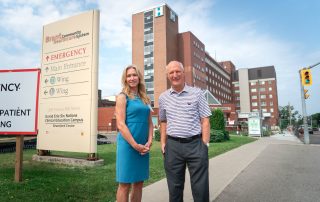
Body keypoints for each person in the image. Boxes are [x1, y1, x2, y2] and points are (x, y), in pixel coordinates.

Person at [159, 61, 212, 202]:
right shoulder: (163, 98)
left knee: (200, 188)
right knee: (174, 188)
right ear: (167, 76)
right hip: (173, 147)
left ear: (183, 73)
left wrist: (204, 145)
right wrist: (163, 142)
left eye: (178, 71)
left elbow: (205, 120)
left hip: (195, 145)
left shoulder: (197, 93)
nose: (175, 75)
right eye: (171, 72)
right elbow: (163, 121)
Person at [115, 64, 154, 202]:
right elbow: (120, 124)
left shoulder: (145, 99)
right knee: (124, 184)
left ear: (139, 77)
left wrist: (149, 141)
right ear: (125, 79)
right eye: (129, 75)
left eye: (134, 75)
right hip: (127, 145)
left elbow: (150, 123)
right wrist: (134, 145)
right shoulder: (122, 97)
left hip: (143, 146)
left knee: (139, 182)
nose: (132, 78)